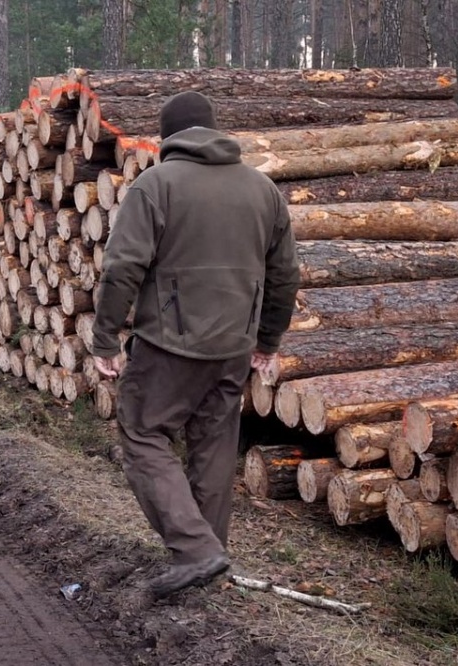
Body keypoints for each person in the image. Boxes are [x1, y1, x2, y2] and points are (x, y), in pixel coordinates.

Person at [91, 91, 300, 599]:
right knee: (213, 447)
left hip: (169, 345)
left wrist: (105, 338)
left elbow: (122, 268)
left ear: (169, 138)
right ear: (213, 130)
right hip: (233, 345)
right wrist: (267, 340)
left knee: (143, 434)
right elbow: (286, 275)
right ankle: (209, 561)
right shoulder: (263, 190)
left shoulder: (155, 185)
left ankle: (196, 550)